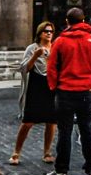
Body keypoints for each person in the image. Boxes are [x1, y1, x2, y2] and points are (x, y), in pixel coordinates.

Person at [46, 7, 91, 175]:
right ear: (84, 20)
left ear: (67, 22)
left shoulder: (60, 42)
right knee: (87, 130)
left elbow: (52, 68)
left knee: (65, 132)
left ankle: (61, 170)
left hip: (65, 92)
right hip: (86, 92)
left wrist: (54, 87)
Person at [11, 21, 58, 166]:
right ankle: (16, 152)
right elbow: (25, 68)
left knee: (51, 121)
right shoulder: (32, 48)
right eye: (46, 31)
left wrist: (50, 59)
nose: (49, 34)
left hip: (50, 85)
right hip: (35, 85)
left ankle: (47, 152)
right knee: (28, 121)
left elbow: (58, 67)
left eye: (50, 31)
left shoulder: (55, 48)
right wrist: (35, 56)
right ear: (40, 34)